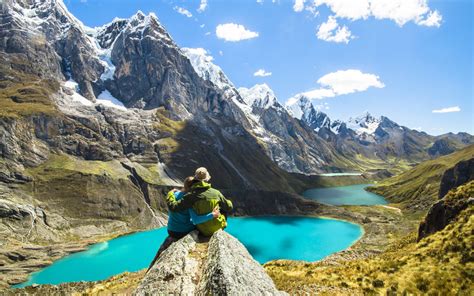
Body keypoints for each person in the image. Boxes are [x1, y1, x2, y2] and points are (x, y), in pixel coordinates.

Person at [147, 176, 219, 272]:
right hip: (183, 231)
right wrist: (212, 215)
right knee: (201, 227)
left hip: (171, 230)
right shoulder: (189, 200)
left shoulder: (174, 194)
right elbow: (196, 220)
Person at [166, 167, 233, 237]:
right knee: (223, 207)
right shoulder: (216, 193)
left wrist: (170, 193)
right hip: (217, 226)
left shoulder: (190, 196)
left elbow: (174, 207)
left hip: (201, 229)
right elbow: (229, 207)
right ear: (207, 178)